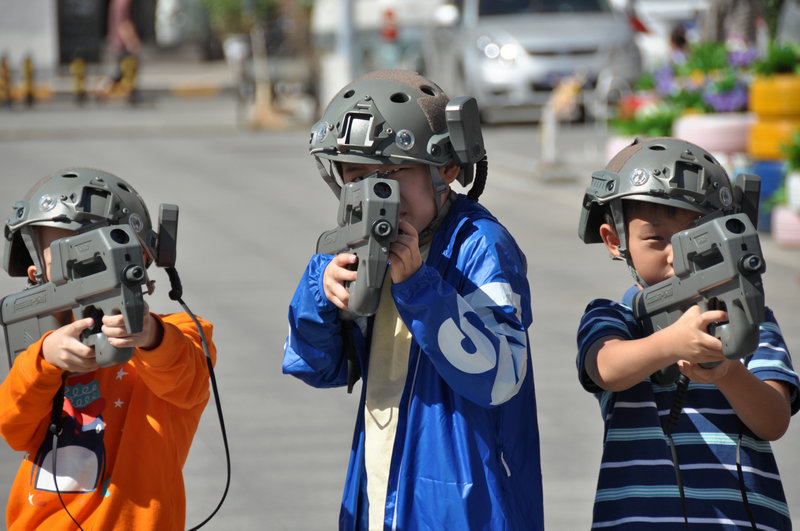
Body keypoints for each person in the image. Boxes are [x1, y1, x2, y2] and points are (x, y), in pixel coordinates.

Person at [283, 70, 544, 530]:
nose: (373, 196)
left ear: (446, 169)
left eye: (391, 174)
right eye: (357, 177)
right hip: (382, 490)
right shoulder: (357, 248)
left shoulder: (480, 245)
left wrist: (421, 287)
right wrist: (320, 292)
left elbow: (501, 377)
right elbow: (317, 366)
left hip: (468, 506)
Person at [576, 137, 799, 529]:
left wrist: (729, 371)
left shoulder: (751, 314)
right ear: (615, 240)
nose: (675, 257)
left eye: (695, 239)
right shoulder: (616, 315)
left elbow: (774, 420)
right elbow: (606, 368)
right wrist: (671, 343)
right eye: (657, 239)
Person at [0, 168, 216, 530]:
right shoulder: (43, 345)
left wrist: (148, 336)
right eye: (57, 256)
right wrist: (43, 361)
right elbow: (14, 428)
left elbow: (188, 381)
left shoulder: (176, 333)